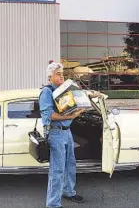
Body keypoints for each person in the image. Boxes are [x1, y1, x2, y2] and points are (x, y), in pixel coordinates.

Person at [39, 61, 86, 208]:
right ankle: (53, 204)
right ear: (50, 77)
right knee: (57, 170)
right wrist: (69, 117)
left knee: (70, 165)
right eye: (58, 74)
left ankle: (68, 191)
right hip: (56, 133)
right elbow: (48, 115)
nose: (61, 76)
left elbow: (69, 107)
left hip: (67, 132)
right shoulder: (47, 92)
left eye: (62, 74)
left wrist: (80, 108)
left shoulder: (64, 91)